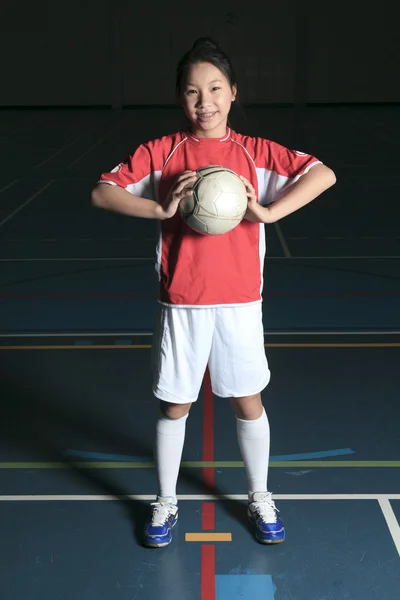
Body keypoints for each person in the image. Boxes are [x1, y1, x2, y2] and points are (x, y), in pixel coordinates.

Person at [91, 37, 336, 548]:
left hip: (241, 301)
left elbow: (322, 174)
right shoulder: (162, 153)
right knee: (175, 406)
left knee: (248, 401)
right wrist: (159, 210)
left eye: (215, 89)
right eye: (193, 92)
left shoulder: (254, 153)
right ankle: (165, 501)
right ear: (181, 99)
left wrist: (268, 212)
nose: (205, 102)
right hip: (182, 301)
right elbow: (102, 191)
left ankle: (260, 495)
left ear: (232, 93)